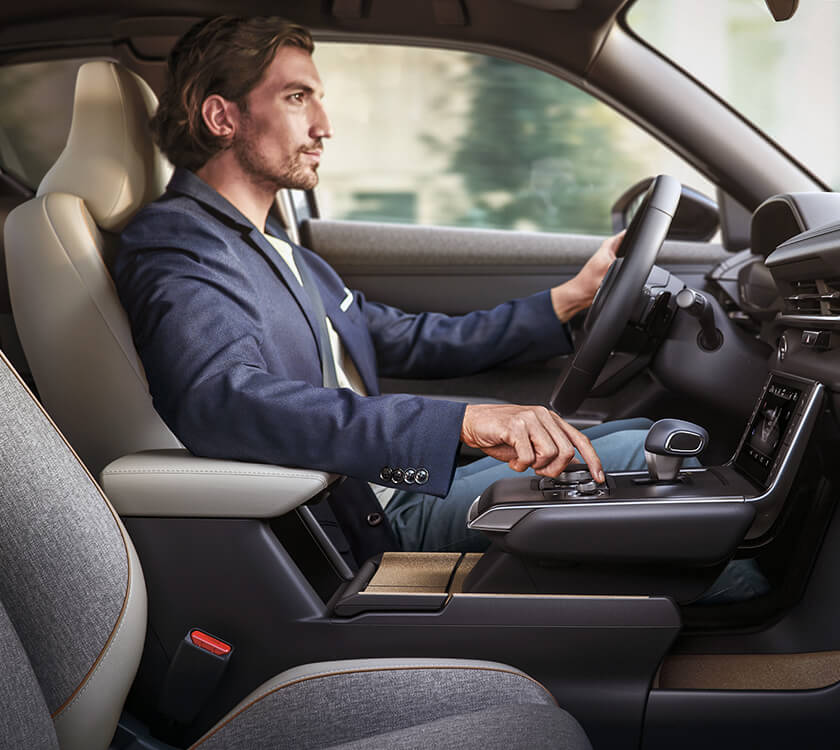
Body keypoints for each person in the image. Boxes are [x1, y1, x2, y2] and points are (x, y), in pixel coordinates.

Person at [114, 17, 768, 601]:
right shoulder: (179, 244)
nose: (324, 125)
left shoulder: (283, 250)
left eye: (318, 97)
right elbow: (224, 399)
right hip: (361, 516)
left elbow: (407, 339)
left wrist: (567, 300)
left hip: (380, 486)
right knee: (642, 471)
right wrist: (459, 422)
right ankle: (778, 655)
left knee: (634, 450)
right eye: (296, 97)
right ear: (222, 118)